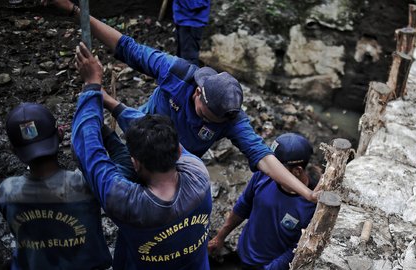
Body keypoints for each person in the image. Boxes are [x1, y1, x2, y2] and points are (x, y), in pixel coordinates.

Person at [43, 0, 318, 203]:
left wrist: (305, 191)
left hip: (173, 166)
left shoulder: (232, 120)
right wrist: (76, 13)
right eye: (203, 112)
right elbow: (127, 47)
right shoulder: (177, 72)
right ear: (198, 91)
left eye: (212, 121)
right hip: (138, 134)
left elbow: (262, 156)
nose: (203, 118)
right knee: (98, 168)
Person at [71, 42, 212, 269]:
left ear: (135, 163)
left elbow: (88, 151)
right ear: (178, 151)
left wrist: (91, 88)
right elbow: (145, 133)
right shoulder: (198, 173)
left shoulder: (128, 204)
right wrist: (112, 104)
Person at [0, 102, 112, 270]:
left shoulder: (6, 191)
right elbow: (121, 172)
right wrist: (105, 134)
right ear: (60, 134)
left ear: (13, 150)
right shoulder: (84, 184)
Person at [208, 133, 318, 270]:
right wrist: (221, 236)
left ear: (297, 170)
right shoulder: (263, 175)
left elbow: (297, 247)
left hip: (270, 265)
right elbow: (244, 205)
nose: (270, 169)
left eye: (276, 166)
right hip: (244, 253)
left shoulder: (312, 205)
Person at [172, 0, 210, 65]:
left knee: (189, 59)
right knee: (182, 57)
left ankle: (191, 74)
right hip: (183, 20)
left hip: (191, 22)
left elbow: (195, 4)